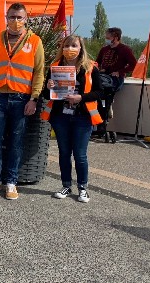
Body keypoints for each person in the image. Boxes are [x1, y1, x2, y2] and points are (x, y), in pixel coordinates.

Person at [0, 2, 45, 200]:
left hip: (21, 98)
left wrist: (34, 98)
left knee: (16, 142)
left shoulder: (35, 41)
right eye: (12, 17)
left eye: (19, 17)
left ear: (26, 19)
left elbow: (39, 73)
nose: (16, 21)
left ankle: (11, 181)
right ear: (7, 19)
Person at [41, 36, 102, 203]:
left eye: (73, 45)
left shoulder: (90, 67)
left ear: (80, 47)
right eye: (66, 45)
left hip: (82, 117)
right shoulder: (55, 67)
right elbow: (46, 95)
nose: (70, 48)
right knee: (64, 153)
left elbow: (100, 92)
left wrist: (81, 97)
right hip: (61, 116)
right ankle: (66, 185)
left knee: (80, 155)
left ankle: (83, 188)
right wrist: (48, 87)